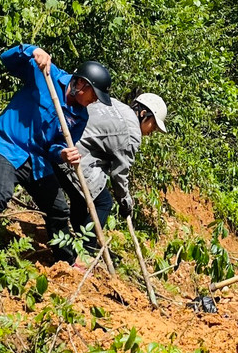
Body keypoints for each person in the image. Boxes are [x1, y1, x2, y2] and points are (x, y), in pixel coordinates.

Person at [0, 44, 111, 264]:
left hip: (38, 162)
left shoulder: (81, 118)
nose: (95, 100)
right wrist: (31, 50)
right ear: (82, 84)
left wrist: (63, 154)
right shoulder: (47, 72)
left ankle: (67, 262)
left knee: (59, 210)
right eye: (94, 95)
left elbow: (54, 147)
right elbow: (7, 60)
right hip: (8, 145)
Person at [62, 92, 169, 255]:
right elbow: (119, 174)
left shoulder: (116, 104)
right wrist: (125, 200)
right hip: (75, 157)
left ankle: (78, 239)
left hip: (62, 144)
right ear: (143, 114)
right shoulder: (132, 134)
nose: (151, 132)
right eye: (153, 126)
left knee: (82, 198)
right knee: (104, 203)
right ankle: (87, 250)